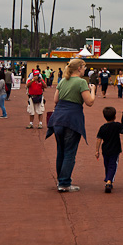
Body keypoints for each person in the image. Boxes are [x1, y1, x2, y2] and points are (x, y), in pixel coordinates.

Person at [46, 59, 97, 192]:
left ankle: (61, 180)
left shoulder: (63, 81)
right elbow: (89, 102)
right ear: (79, 68)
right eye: (84, 67)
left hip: (58, 119)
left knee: (61, 151)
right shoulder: (81, 82)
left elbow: (56, 100)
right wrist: (93, 90)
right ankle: (64, 183)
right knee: (69, 152)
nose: (85, 70)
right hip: (72, 119)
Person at [95, 106, 123, 193]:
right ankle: (109, 181)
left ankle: (108, 179)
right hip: (115, 149)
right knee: (113, 165)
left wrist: (97, 150)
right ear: (115, 116)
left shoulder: (103, 127)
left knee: (107, 165)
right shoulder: (117, 125)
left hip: (105, 149)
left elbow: (99, 139)